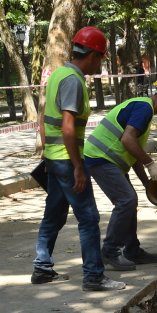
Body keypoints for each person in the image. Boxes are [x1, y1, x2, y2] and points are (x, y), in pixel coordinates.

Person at [33, 26, 124, 292]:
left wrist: (46, 151)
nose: (99, 65)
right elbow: (68, 127)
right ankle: (94, 276)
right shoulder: (73, 80)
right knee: (88, 217)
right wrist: (78, 168)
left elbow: (44, 116)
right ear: (94, 55)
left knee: (54, 214)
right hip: (66, 159)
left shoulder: (58, 74)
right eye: (101, 60)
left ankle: (42, 269)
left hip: (54, 157)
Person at [84, 73, 157, 271]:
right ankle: (110, 250)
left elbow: (133, 150)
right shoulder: (144, 108)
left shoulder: (144, 110)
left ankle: (132, 250)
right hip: (101, 157)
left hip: (109, 160)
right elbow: (127, 140)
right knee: (126, 200)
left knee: (130, 200)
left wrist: (146, 182)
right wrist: (151, 164)